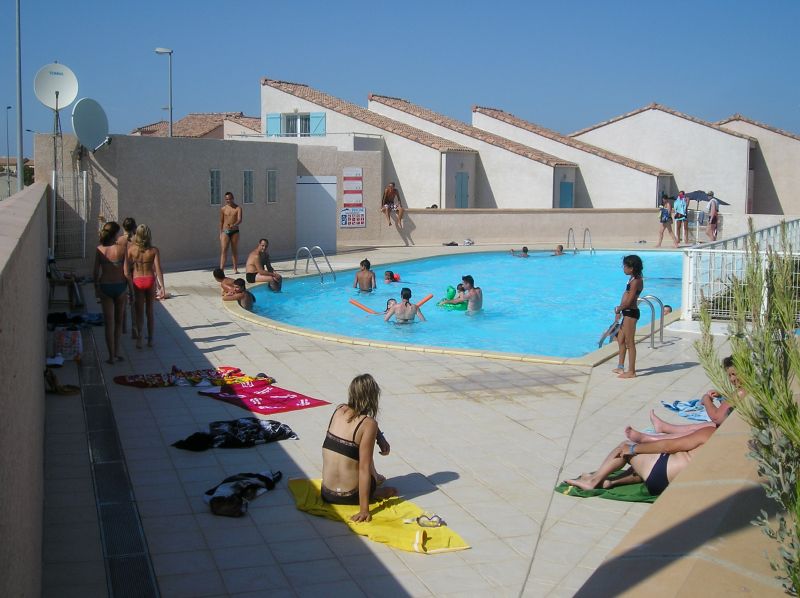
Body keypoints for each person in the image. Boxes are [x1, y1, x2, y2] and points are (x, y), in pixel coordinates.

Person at [321, 374, 398, 522]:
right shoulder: (369, 424)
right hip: (350, 496)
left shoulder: (339, 410)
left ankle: (375, 482)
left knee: (357, 449)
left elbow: (361, 421)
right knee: (365, 457)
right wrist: (364, 510)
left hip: (327, 493)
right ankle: (374, 492)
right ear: (373, 397)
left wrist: (379, 437)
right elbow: (364, 468)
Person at [565, 425, 715, 495]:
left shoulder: (710, 432)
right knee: (646, 461)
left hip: (662, 474)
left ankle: (592, 481)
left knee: (625, 447)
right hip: (680, 486)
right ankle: (612, 482)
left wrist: (633, 449)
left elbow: (668, 447)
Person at [93, 222, 128, 364]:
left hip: (105, 286)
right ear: (114, 234)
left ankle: (111, 356)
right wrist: (130, 289)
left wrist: (96, 288)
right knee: (119, 322)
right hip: (120, 286)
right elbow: (126, 272)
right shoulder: (121, 249)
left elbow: (95, 272)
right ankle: (118, 352)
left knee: (109, 323)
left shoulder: (99, 249)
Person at [127, 224, 165, 349]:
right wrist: (162, 286)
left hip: (137, 280)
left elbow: (126, 269)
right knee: (149, 311)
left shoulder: (132, 250)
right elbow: (158, 269)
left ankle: (139, 339)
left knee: (139, 312)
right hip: (149, 279)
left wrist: (127, 285)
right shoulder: (154, 250)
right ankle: (151, 339)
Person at [613, 255, 643, 378]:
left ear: (632, 268)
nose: (623, 268)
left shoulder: (636, 281)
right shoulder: (632, 278)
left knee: (630, 343)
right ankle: (621, 367)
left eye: (625, 266)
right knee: (620, 339)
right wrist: (620, 311)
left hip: (631, 313)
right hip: (626, 312)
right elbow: (626, 295)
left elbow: (630, 301)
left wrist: (619, 308)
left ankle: (632, 371)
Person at [119, 217, 137, 338]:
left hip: (120, 271)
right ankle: (134, 328)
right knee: (134, 300)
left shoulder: (119, 240)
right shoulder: (136, 240)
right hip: (133, 270)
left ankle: (123, 327)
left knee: (122, 300)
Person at [219, 191, 243, 273]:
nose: (228, 200)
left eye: (229, 199)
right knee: (224, 250)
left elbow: (240, 219)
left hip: (235, 231)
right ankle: (221, 269)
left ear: (233, 198)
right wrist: (220, 233)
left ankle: (235, 268)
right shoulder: (223, 209)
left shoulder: (238, 208)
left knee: (234, 249)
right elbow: (221, 221)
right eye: (226, 199)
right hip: (225, 231)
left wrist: (234, 224)